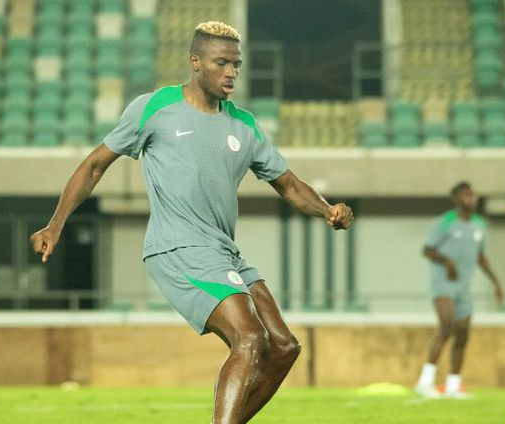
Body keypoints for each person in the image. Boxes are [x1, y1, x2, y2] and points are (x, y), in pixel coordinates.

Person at [29, 22, 353, 423]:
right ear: (195, 62)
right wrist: (55, 224)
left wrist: (327, 210)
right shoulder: (155, 107)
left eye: (236, 63)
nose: (231, 72)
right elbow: (95, 166)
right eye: (222, 63)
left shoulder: (245, 125)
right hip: (177, 247)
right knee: (250, 338)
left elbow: (288, 184)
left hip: (224, 253)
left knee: (284, 347)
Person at [414, 181, 502, 399]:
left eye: (473, 195)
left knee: (462, 335)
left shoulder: (479, 224)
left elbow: (480, 257)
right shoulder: (445, 222)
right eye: (466, 195)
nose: (471, 199)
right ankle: (424, 382)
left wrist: (496, 283)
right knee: (446, 326)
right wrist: (447, 262)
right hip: (443, 284)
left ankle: (453, 385)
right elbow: (426, 250)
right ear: (456, 199)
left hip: (464, 287)